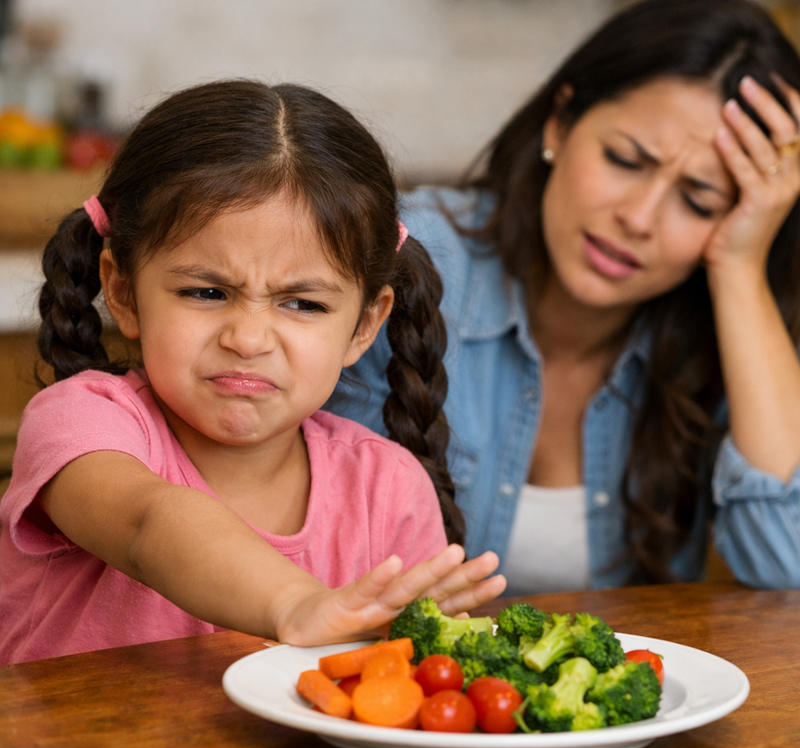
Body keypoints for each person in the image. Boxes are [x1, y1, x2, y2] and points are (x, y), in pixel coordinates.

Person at [0, 80, 506, 665]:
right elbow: (150, 524)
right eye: (207, 291)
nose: (248, 339)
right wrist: (295, 604)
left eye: (303, 304)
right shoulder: (82, 425)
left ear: (365, 326)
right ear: (124, 292)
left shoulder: (387, 488)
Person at [329, 0, 800, 594]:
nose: (638, 217)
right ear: (561, 122)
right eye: (625, 160)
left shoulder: (732, 328)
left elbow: (789, 573)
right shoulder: (401, 257)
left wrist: (739, 266)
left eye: (699, 201)